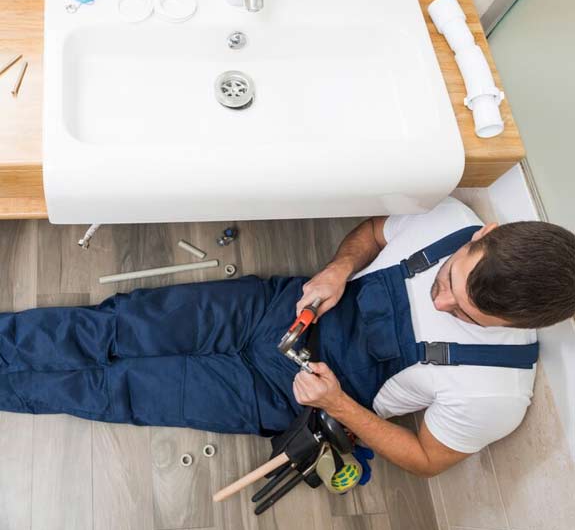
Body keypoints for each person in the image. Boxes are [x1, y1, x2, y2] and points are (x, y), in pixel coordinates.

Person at [0, 198, 573, 477]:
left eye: (466, 316)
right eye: (448, 280)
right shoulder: (447, 220)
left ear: (518, 327)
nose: (441, 302)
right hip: (275, 309)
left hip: (284, 393)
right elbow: (374, 232)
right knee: (116, 325)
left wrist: (338, 405)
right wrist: (337, 270)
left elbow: (426, 457)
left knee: (120, 387)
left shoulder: (496, 393)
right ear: (486, 235)